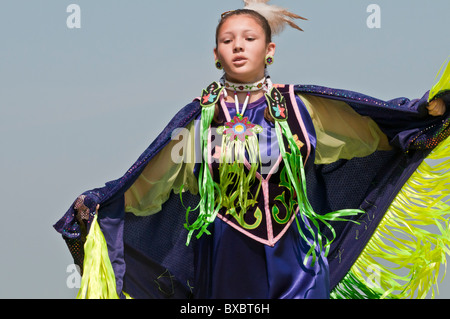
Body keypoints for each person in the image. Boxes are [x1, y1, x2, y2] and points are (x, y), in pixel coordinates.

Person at [54, 1, 450, 299]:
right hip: (225, 263)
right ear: (216, 55)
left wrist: (421, 114)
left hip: (298, 261)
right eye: (227, 40)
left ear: (270, 50)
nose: (238, 47)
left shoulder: (300, 107)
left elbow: (373, 127)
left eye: (249, 38)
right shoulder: (200, 119)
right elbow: (148, 181)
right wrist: (100, 204)